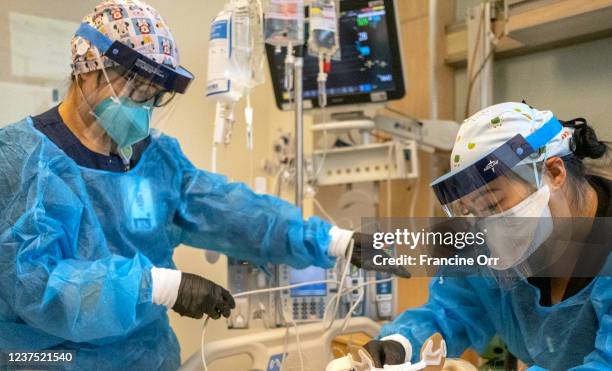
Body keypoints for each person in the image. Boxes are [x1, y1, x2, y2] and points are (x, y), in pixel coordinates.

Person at [0, 1, 403, 369]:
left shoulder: (154, 160)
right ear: (89, 69)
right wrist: (158, 285)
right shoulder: (23, 161)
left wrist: (333, 241)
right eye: (136, 91)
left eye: (153, 98)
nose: (144, 108)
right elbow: (37, 287)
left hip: (147, 358)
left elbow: (227, 210)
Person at [363, 102, 611, 370]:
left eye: (493, 204)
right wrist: (401, 345)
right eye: (474, 212)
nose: (488, 225)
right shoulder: (500, 240)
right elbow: (453, 310)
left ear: (553, 172)